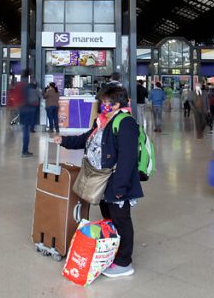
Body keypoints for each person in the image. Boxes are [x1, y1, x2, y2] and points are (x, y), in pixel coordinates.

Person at [53, 85, 142, 278]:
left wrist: (119, 188)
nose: (102, 105)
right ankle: (113, 252)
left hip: (117, 182)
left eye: (106, 102)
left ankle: (124, 262)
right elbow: (87, 139)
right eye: (102, 102)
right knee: (110, 219)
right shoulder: (102, 121)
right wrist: (65, 141)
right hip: (101, 180)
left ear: (117, 104)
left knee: (121, 220)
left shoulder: (126, 123)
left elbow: (128, 159)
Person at [18, 70, 38, 157]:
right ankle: (24, 151)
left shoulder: (20, 85)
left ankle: (24, 150)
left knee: (25, 131)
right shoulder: (27, 86)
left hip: (22, 110)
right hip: (27, 111)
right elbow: (30, 100)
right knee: (26, 132)